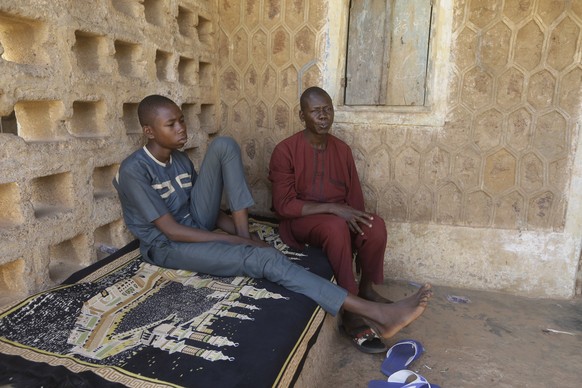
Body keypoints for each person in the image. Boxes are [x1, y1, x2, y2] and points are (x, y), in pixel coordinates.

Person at [113, 94, 432, 345]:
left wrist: (243, 233)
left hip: (195, 223)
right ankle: (374, 312)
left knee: (223, 144)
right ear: (149, 131)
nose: (182, 129)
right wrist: (241, 243)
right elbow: (171, 230)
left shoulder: (180, 159)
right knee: (264, 260)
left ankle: (247, 237)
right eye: (172, 125)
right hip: (167, 245)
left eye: (182, 121)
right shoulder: (134, 170)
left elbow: (208, 215)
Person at [268, 86, 394, 353]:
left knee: (375, 225)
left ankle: (367, 288)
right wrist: (334, 209)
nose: (323, 117)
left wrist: (359, 229)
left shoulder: (342, 150)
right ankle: (350, 311)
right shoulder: (285, 150)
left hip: (337, 219)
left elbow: (355, 199)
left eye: (327, 110)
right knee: (335, 224)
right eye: (316, 112)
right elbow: (283, 206)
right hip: (300, 221)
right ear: (302, 116)